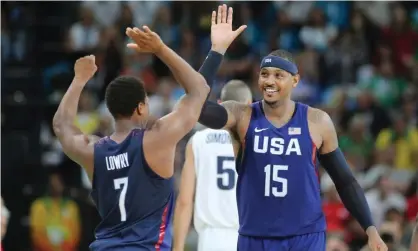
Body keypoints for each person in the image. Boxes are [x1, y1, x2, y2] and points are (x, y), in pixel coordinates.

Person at [195, 5, 388, 250]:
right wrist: (217, 51)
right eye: (265, 74)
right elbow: (197, 108)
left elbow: (345, 181)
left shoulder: (317, 121)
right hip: (256, 237)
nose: (270, 81)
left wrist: (370, 229)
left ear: (295, 80)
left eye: (278, 75)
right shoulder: (242, 114)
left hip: (305, 237)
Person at [52, 25, 210, 250]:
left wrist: (79, 79)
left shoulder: (92, 151)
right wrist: (160, 49)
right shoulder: (157, 139)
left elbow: (61, 125)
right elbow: (199, 90)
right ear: (140, 108)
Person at [173, 80, 253, 251]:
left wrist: (177, 248)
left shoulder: (198, 141)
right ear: (249, 106)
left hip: (211, 239)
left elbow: (185, 201)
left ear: (220, 106)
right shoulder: (257, 142)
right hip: (249, 237)